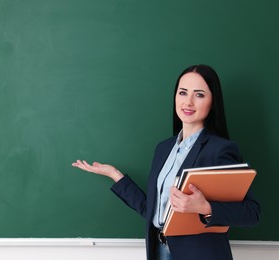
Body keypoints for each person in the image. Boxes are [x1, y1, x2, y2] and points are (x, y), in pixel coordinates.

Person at [72, 64, 260, 260]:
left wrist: (205, 208)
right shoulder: (164, 148)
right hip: (160, 251)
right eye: (182, 93)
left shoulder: (220, 149)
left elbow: (252, 213)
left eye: (199, 95)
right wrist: (114, 175)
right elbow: (152, 211)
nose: (188, 102)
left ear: (213, 102)